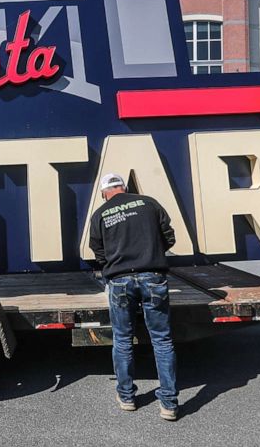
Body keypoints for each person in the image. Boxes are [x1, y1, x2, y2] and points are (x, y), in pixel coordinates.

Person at [88, 173, 178, 421]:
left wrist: (115, 264)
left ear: (105, 193)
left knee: (123, 339)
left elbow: (98, 252)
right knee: (162, 340)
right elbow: (169, 237)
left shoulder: (100, 215)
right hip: (153, 277)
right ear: (124, 188)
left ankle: (127, 397)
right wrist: (150, 254)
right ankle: (169, 404)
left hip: (119, 281)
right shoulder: (149, 203)